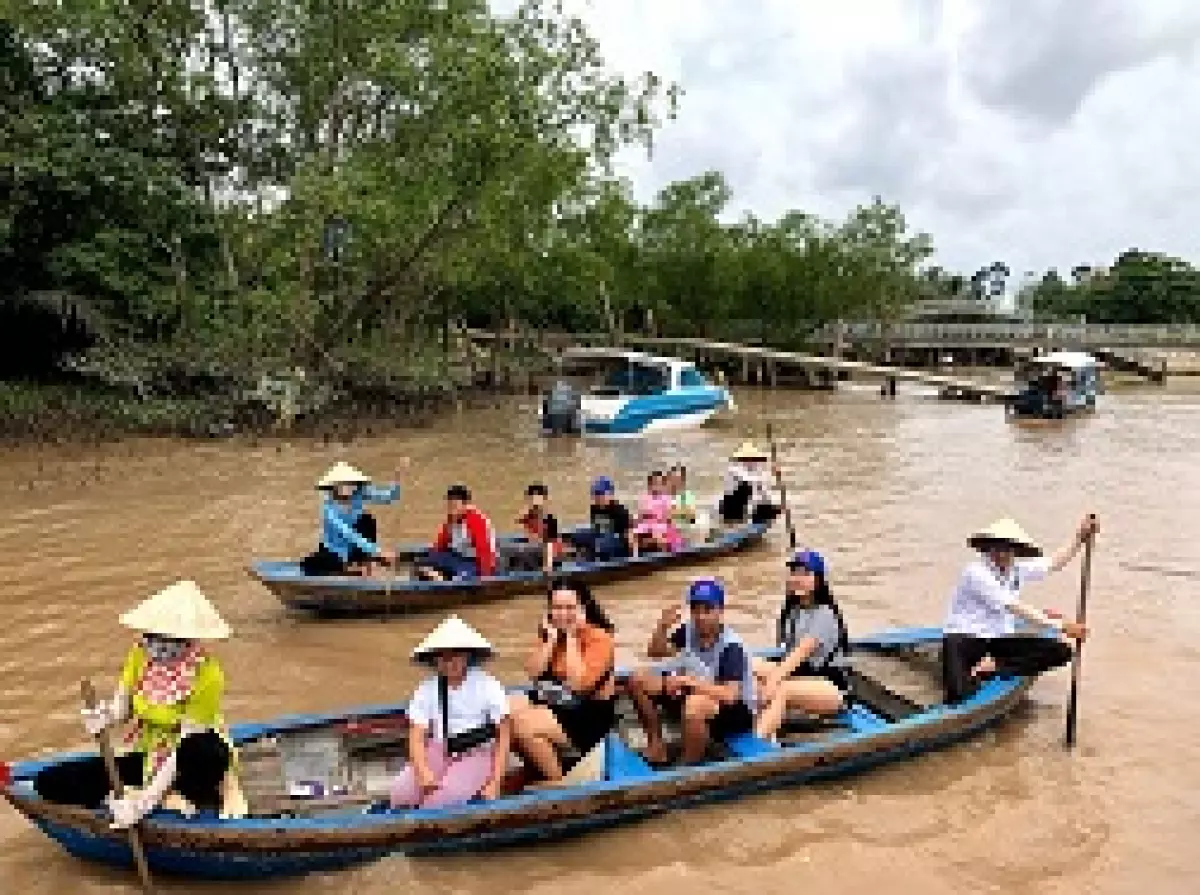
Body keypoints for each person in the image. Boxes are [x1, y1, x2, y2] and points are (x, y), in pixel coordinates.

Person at [34, 581, 247, 828]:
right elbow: (122, 709)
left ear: (189, 641)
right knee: (50, 782)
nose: (157, 649)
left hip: (187, 757)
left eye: (169, 641)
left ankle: (204, 788)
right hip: (151, 754)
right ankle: (163, 796)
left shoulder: (207, 674)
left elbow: (184, 745)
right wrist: (103, 716)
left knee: (203, 751)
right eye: (151, 638)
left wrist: (143, 804)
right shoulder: (139, 655)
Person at [942, 516, 1095, 704]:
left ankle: (996, 665)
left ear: (1015, 550)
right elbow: (1013, 606)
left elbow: (1054, 563)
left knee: (1062, 651)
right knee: (958, 697)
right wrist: (1061, 626)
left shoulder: (1017, 569)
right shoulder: (976, 572)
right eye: (996, 547)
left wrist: (1079, 538)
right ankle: (982, 672)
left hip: (998, 639)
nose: (1001, 554)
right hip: (964, 638)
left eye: (1007, 548)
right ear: (988, 547)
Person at [626, 578, 755, 765]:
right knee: (638, 679)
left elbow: (730, 695)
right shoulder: (689, 631)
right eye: (696, 609)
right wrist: (662, 627)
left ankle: (688, 765)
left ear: (720, 611)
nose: (701, 616)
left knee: (695, 705)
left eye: (708, 610)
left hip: (734, 713)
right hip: (696, 692)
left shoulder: (731, 647)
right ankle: (656, 746)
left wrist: (686, 681)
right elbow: (655, 652)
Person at [389, 616, 511, 809]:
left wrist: (495, 783)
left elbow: (503, 736)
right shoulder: (427, 689)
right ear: (435, 659)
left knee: (439, 802)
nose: (449, 662)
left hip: (475, 753)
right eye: (442, 656)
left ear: (466, 656)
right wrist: (422, 771)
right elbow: (416, 735)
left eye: (455, 655)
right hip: (439, 748)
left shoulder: (488, 685)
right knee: (400, 793)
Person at [508, 578, 617, 782]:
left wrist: (572, 637)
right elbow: (533, 672)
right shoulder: (550, 632)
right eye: (557, 608)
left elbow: (578, 685)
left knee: (523, 723)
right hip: (556, 701)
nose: (563, 614)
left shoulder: (600, 638)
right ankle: (538, 765)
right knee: (505, 711)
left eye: (570, 608)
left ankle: (557, 782)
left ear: (583, 608)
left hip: (588, 715)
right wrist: (550, 640)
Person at [753, 549, 851, 740]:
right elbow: (787, 658)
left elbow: (800, 653)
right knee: (751, 664)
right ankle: (755, 720)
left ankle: (758, 743)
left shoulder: (824, 614)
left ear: (818, 580)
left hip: (830, 687)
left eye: (805, 573)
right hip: (802, 676)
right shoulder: (793, 611)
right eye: (795, 572)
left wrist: (771, 683)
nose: (797, 578)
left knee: (781, 690)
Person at [300, 461, 401, 576]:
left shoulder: (359, 494)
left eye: (350, 483)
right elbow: (347, 532)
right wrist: (378, 551)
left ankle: (364, 562)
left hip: (356, 548)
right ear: (334, 485)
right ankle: (350, 567)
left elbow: (390, 497)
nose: (348, 487)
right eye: (343, 484)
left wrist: (396, 480)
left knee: (367, 519)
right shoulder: (329, 508)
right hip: (335, 550)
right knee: (308, 565)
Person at [416, 485, 498, 581]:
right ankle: (435, 575)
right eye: (449, 505)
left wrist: (486, 576)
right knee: (425, 561)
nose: (451, 509)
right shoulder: (451, 520)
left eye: (454, 505)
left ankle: (443, 579)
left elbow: (485, 551)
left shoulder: (478, 521)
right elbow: (441, 544)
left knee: (463, 577)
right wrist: (430, 558)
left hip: (473, 562)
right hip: (455, 557)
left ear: (465, 505)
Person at [568, 476, 633, 562]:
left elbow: (628, 535)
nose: (597, 497)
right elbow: (595, 529)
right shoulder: (594, 508)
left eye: (600, 494)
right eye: (595, 494)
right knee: (576, 534)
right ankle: (576, 554)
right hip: (600, 536)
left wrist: (632, 555)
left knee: (601, 542)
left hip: (617, 543)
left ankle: (592, 556)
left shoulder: (620, 511)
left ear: (610, 494)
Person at [717, 442, 781, 525]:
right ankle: (735, 522)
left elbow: (765, 490)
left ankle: (755, 524)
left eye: (754, 459)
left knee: (771, 506)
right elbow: (747, 480)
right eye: (748, 459)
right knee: (745, 487)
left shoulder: (759, 470)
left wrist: (777, 505)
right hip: (732, 506)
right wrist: (770, 472)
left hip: (751, 507)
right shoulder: (733, 469)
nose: (751, 462)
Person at [510, 483, 562, 574]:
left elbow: (549, 545)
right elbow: (516, 521)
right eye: (531, 499)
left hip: (549, 554)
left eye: (538, 499)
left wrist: (547, 566)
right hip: (536, 549)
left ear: (544, 500)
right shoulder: (528, 515)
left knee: (518, 552)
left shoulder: (549, 519)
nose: (534, 502)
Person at [630, 471, 684, 555]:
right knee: (633, 534)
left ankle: (663, 554)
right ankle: (634, 555)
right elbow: (642, 513)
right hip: (646, 523)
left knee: (658, 535)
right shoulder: (645, 497)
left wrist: (660, 519)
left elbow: (667, 516)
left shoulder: (666, 498)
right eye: (654, 483)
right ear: (650, 485)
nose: (656, 486)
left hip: (660, 524)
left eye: (659, 483)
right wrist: (638, 521)